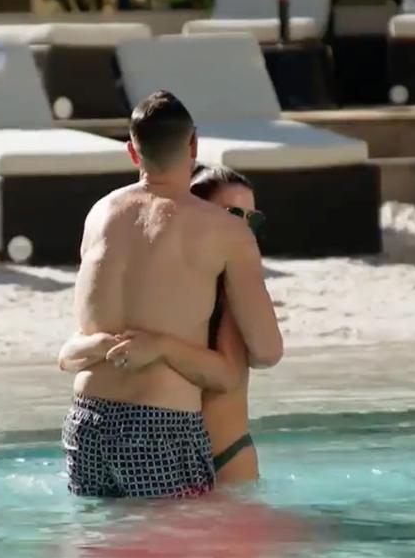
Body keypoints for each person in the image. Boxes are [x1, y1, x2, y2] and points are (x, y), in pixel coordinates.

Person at [59, 91, 282, 499]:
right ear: (193, 146)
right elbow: (267, 350)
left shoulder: (99, 214)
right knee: (175, 554)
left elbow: (82, 332)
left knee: (98, 551)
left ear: (132, 152)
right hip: (159, 423)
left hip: (86, 419)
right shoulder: (225, 230)